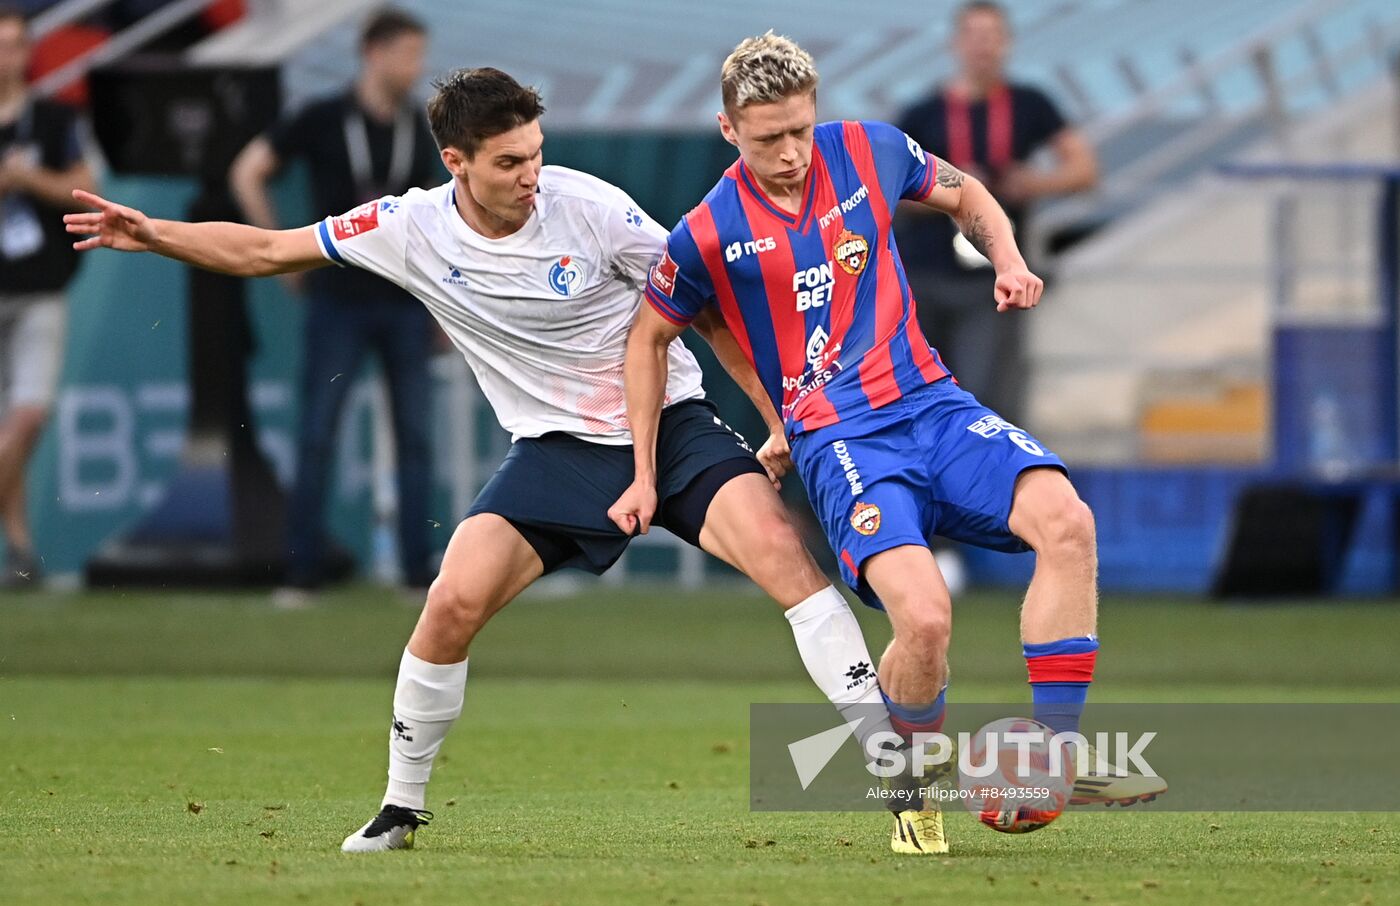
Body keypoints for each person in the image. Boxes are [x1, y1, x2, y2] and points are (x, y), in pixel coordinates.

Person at [66, 67, 904, 855]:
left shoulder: (595, 209)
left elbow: (707, 313)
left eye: (537, 153)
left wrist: (777, 419)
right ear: (455, 161)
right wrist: (154, 233)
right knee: (451, 602)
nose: (531, 174)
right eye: (509, 162)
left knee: (785, 560)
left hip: (671, 425)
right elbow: (265, 250)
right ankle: (400, 805)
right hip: (554, 450)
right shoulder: (406, 227)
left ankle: (889, 765)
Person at [620, 32, 1163, 856]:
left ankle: (1053, 754)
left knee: (1067, 521)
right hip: (843, 443)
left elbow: (967, 192)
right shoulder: (706, 232)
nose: (793, 152)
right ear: (729, 131)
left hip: (933, 406)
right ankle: (910, 787)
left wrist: (1008, 260)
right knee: (925, 618)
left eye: (801, 129)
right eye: (769, 138)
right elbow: (652, 339)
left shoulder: (869, 148)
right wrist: (649, 467)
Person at [229, 8, 442, 597]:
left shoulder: (417, 127)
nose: (416, 67)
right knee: (318, 432)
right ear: (372, 52)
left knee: (416, 437)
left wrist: (441, 303)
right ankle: (301, 572)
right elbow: (248, 171)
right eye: (407, 54)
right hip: (338, 299)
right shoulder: (323, 117)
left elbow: (433, 223)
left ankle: (416, 570)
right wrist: (282, 255)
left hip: (403, 300)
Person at [894, 0, 1096, 425]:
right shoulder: (923, 114)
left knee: (985, 397)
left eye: (992, 37)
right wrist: (950, 191)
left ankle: (986, 488)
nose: (982, 47)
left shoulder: (1029, 104)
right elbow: (889, 196)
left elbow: (1084, 169)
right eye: (974, 37)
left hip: (992, 281)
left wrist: (1034, 182)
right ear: (956, 44)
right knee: (917, 395)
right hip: (924, 278)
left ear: (1006, 44)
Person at [0, 5, 95, 587]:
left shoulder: (53, 119)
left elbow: (86, 190)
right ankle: (19, 546)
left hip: (39, 286)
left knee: (29, 414)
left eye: (15, 44)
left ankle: (18, 547)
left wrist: (26, 177)